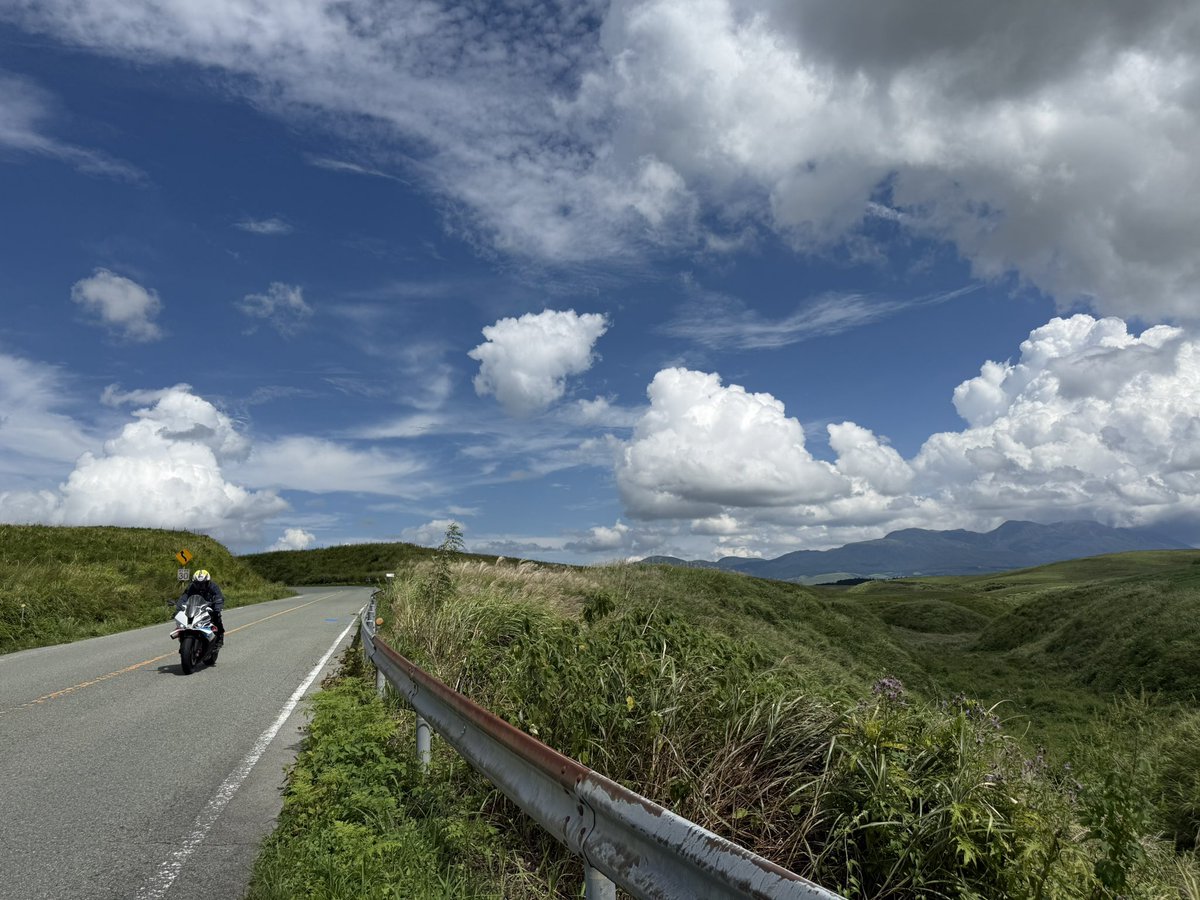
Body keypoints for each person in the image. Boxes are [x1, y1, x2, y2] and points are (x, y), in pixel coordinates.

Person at [178, 569, 226, 647]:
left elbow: (219, 596)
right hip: (194, 607)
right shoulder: (191, 587)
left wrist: (217, 606)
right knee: (184, 622)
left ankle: (219, 638)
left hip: (209, 607)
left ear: (208, 582)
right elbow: (184, 597)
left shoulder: (213, 586)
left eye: (203, 584)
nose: (200, 586)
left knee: (217, 618)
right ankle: (184, 639)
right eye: (197, 584)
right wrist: (179, 606)